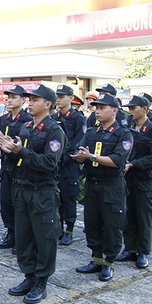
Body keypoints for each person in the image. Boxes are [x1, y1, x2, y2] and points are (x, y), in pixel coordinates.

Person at [0, 84, 66, 304]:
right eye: (30, 99)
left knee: (44, 238)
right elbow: (21, 157)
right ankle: (29, 276)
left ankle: (41, 281)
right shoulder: (26, 127)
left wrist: (21, 151)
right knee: (24, 236)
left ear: (47, 104)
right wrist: (9, 149)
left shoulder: (55, 130)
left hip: (42, 192)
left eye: (34, 100)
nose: (30, 102)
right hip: (22, 189)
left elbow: (48, 162)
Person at [73, 94, 133, 282]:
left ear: (114, 110)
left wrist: (91, 157)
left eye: (102, 107)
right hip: (93, 184)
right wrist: (81, 156)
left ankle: (108, 263)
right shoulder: (92, 131)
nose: (97, 110)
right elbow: (80, 150)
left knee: (112, 225)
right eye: (96, 107)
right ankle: (96, 259)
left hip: (111, 186)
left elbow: (118, 160)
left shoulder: (124, 134)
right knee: (92, 224)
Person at [115, 95, 152, 269]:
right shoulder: (127, 128)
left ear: (144, 109)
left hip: (144, 179)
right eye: (129, 108)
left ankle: (143, 251)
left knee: (143, 216)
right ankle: (130, 249)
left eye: (133, 108)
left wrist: (133, 164)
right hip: (128, 178)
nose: (130, 111)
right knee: (129, 215)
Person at [0, 85, 33, 252]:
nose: (9, 100)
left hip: (20, 166)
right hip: (6, 164)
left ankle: (21, 238)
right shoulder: (5, 118)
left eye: (14, 97)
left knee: (19, 204)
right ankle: (11, 233)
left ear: (23, 100)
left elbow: (23, 144)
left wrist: (2, 140)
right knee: (6, 202)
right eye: (8, 97)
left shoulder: (27, 120)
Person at [53, 85, 86, 245]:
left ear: (70, 98)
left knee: (69, 196)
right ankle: (58, 226)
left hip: (70, 163)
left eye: (62, 96)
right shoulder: (54, 117)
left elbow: (80, 140)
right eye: (57, 96)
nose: (59, 99)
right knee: (57, 197)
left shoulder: (78, 118)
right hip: (56, 164)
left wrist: (66, 156)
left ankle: (69, 229)